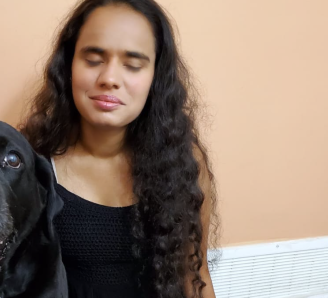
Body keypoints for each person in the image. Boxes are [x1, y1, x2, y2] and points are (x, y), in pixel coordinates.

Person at [19, 0, 220, 297]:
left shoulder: (184, 163)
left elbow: (194, 275)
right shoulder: (30, 163)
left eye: (133, 65)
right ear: (68, 65)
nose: (110, 79)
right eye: (93, 59)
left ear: (155, 77)